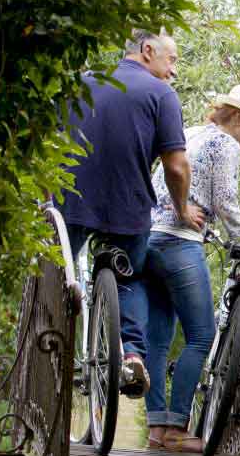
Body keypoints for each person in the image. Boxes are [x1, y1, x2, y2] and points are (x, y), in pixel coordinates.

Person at [58, 29, 204, 398]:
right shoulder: (161, 95)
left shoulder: (81, 83)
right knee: (129, 276)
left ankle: (49, 353)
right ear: (148, 50)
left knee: (55, 277)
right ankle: (132, 355)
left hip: (70, 201)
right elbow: (176, 166)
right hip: (128, 208)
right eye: (171, 60)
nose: (173, 72)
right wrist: (183, 208)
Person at [143, 84, 240, 451]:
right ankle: (176, 429)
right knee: (201, 335)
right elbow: (227, 203)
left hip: (150, 240)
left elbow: (161, 182)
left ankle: (156, 429)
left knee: (158, 338)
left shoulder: (189, 134)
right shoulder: (226, 145)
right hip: (180, 245)